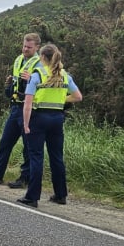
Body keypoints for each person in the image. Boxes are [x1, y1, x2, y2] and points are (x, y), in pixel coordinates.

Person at [16, 43, 83, 208]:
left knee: (36, 157)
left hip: (38, 118)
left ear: (42, 57)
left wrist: (26, 124)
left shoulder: (37, 74)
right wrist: (61, 100)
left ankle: (32, 197)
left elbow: (27, 103)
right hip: (57, 119)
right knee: (57, 157)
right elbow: (78, 96)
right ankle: (60, 194)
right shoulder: (65, 75)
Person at [0, 33, 41, 187]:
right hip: (15, 107)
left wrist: (31, 79)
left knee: (28, 146)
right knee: (5, 142)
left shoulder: (40, 63)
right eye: (24, 46)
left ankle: (25, 178)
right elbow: (16, 79)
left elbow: (45, 85)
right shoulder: (19, 59)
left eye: (29, 47)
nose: (25, 49)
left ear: (37, 47)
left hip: (30, 108)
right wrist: (10, 84)